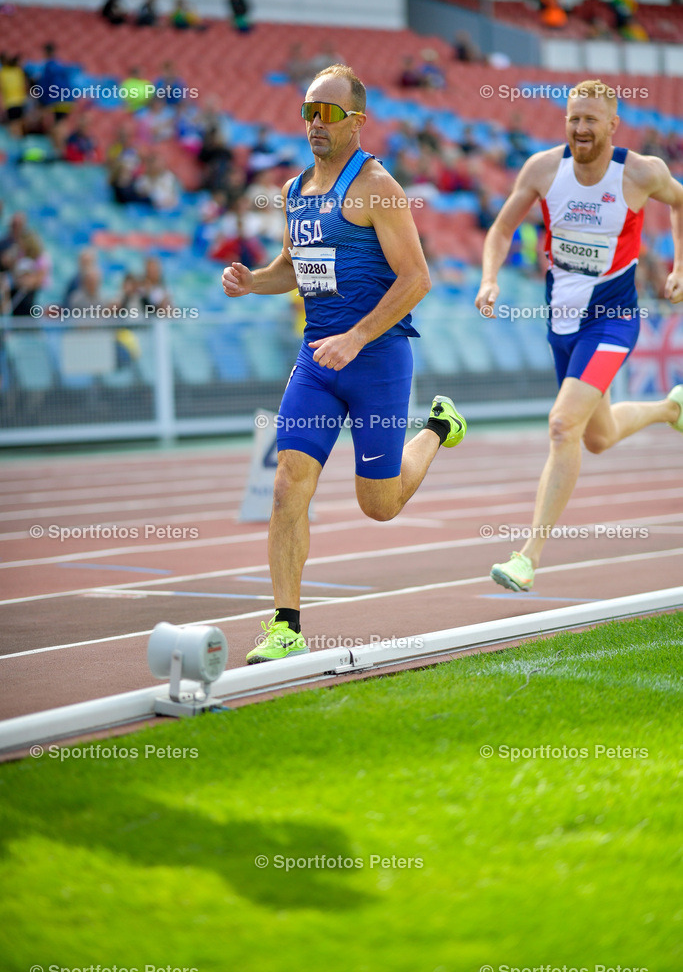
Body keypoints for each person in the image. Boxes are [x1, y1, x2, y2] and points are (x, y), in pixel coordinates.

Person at [222, 63, 467, 663]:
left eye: (327, 111)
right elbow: (292, 266)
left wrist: (356, 338)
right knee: (287, 488)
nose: (314, 122)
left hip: (377, 358)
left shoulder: (379, 186)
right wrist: (254, 281)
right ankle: (285, 625)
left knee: (378, 505)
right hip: (316, 363)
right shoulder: (293, 191)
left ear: (358, 121)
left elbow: (417, 279)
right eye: (307, 110)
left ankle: (438, 427)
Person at [475, 79, 683, 592]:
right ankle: (671, 410)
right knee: (598, 436)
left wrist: (680, 264)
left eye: (591, 119)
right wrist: (489, 277)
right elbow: (501, 229)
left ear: (613, 124)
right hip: (562, 322)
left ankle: (528, 556)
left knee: (563, 425)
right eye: (573, 118)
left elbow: (681, 202)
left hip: (612, 319)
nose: (581, 128)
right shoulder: (544, 169)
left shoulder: (640, 173)